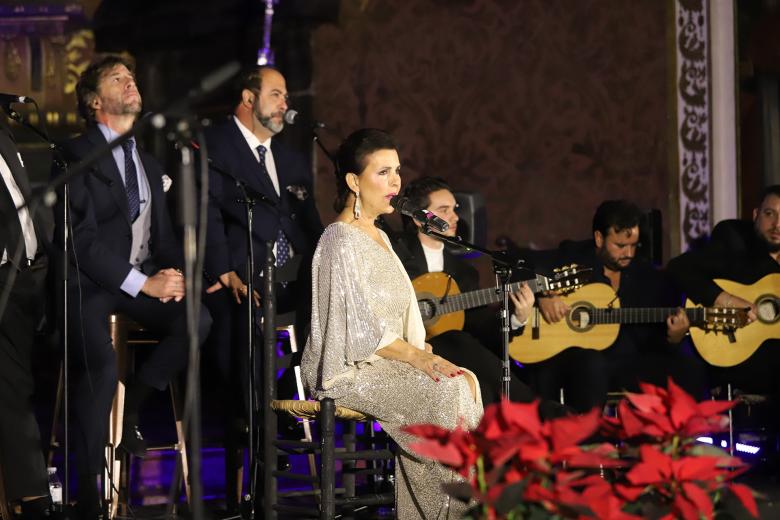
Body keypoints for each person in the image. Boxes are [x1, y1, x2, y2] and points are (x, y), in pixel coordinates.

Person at [53, 54, 211, 517]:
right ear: (94, 100)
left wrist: (172, 276)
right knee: (100, 366)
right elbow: (79, 240)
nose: (131, 83)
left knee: (197, 319)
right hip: (88, 283)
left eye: (133, 77)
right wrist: (145, 284)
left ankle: (137, 406)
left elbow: (160, 237)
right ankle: (89, 497)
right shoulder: (74, 154)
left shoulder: (147, 159)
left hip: (138, 283)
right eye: (118, 78)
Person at [300, 129, 483, 519]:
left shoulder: (380, 236)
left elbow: (402, 317)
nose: (396, 182)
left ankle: (458, 509)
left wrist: (423, 356)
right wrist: (418, 359)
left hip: (387, 361)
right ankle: (452, 511)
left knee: (465, 381)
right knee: (446, 394)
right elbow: (361, 328)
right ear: (354, 181)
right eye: (384, 172)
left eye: (397, 171)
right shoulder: (340, 238)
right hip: (348, 370)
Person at [201, 65, 323, 505]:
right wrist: (222, 268)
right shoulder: (215, 144)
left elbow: (309, 223)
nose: (285, 104)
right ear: (248, 98)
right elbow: (207, 212)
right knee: (238, 335)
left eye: (286, 95)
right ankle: (259, 426)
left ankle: (289, 407)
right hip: (244, 275)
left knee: (330, 321)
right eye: (276, 94)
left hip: (294, 278)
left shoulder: (289, 158)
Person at [525, 200, 706, 412]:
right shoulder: (575, 255)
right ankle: (590, 440)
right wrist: (544, 294)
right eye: (620, 246)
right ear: (599, 238)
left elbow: (653, 338)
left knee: (690, 368)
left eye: (633, 246)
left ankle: (672, 440)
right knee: (593, 364)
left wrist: (674, 337)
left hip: (626, 363)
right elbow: (526, 265)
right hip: (578, 360)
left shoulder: (647, 276)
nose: (628, 253)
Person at [390, 176, 539, 405]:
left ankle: (504, 429)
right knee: (459, 341)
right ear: (420, 219)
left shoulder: (464, 272)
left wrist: (517, 318)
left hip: (450, 356)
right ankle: (536, 410)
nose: (455, 217)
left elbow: (480, 330)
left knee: (478, 380)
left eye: (454, 209)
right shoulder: (394, 252)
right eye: (444, 209)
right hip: (401, 349)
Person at [667, 186, 780, 408]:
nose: (777, 224)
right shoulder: (735, 245)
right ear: (756, 215)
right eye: (770, 214)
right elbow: (679, 267)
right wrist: (728, 300)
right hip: (737, 355)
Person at [0, 117, 52, 518]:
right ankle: (32, 496)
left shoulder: (4, 134)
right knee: (12, 383)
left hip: (25, 274)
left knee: (19, 383)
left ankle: (33, 491)